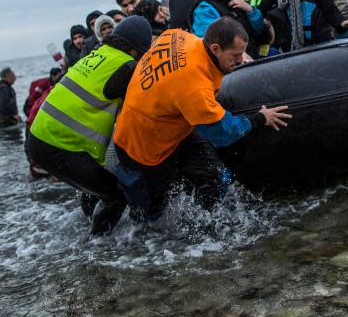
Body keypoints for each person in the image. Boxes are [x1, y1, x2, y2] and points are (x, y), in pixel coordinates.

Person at [111, 18, 291, 219]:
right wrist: (260, 119)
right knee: (151, 214)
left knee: (215, 178)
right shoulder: (194, 86)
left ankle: (205, 226)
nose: (241, 60)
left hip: (173, 125)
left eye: (242, 53)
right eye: (236, 55)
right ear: (215, 48)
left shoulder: (178, 36)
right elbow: (223, 132)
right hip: (142, 148)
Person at [27, 16, 154, 234]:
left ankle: (88, 228)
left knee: (97, 186)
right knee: (115, 196)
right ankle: (99, 248)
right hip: (57, 146)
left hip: (39, 137)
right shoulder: (127, 67)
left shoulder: (99, 53)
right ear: (139, 47)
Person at [190, 0, 267, 58]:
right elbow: (212, 41)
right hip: (226, 67)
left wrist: (250, 10)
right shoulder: (204, 10)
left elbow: (258, 29)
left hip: (250, 60)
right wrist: (240, 55)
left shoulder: (238, 2)